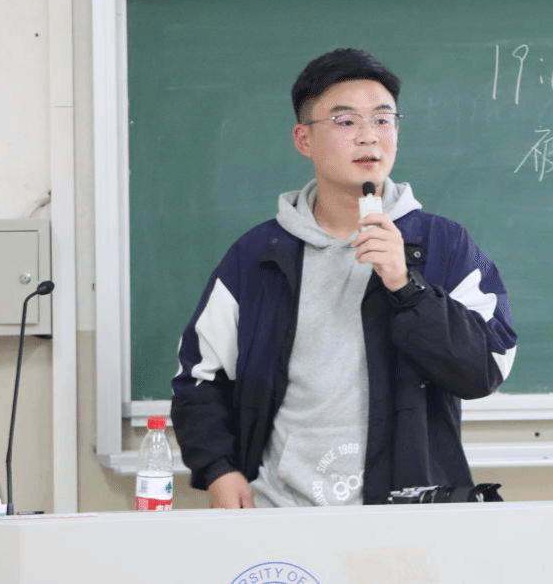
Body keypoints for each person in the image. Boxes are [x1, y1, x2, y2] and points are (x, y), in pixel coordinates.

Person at [170, 47, 517, 508]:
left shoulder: (442, 244)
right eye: (345, 121)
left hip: (405, 511)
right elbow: (199, 377)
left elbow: (485, 369)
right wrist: (218, 468)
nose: (368, 136)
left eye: (383, 119)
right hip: (278, 509)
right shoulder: (258, 255)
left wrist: (407, 287)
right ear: (303, 139)